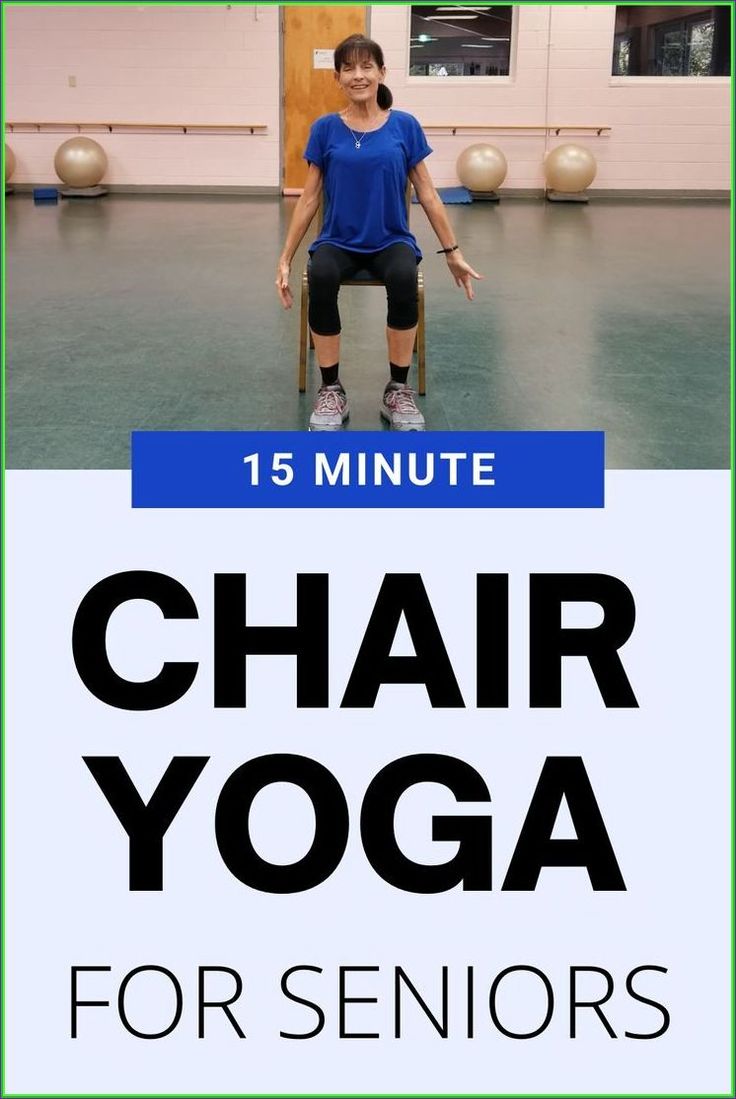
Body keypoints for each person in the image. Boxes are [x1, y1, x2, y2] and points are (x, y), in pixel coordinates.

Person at [275, 34, 483, 431]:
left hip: (390, 240)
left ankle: (397, 391)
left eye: (366, 66)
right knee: (320, 274)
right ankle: (331, 389)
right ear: (337, 77)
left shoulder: (404, 126)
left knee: (405, 276)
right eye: (348, 68)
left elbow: (427, 193)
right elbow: (309, 198)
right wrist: (285, 258)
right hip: (338, 240)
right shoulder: (325, 130)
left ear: (382, 72)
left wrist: (452, 251)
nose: (358, 75)